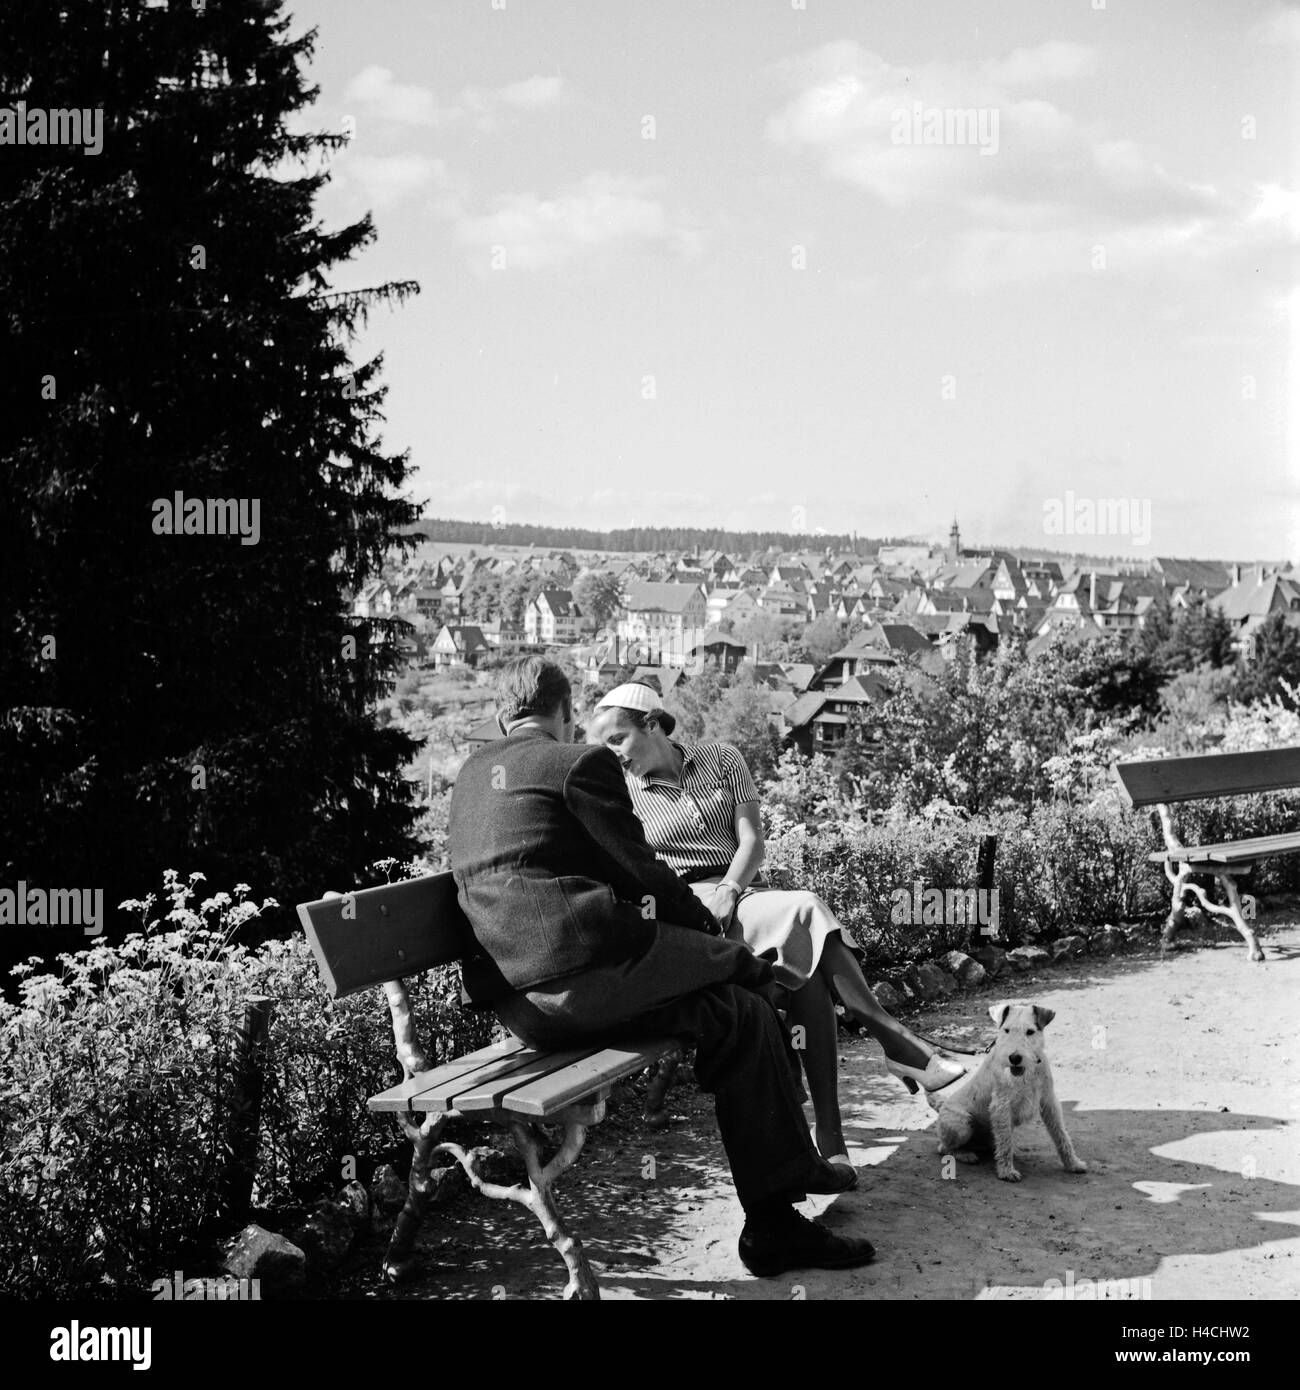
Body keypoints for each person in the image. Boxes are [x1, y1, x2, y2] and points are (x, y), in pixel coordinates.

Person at [447, 656, 876, 1278]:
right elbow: (645, 874)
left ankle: (783, 1203)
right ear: (567, 713)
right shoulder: (577, 764)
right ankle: (780, 1205)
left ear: (499, 715)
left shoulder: (468, 776)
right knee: (742, 985)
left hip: (521, 1008)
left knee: (738, 1013)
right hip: (585, 984)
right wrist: (706, 927)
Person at [586, 681, 971, 1167]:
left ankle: (831, 1139)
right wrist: (710, 898)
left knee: (805, 973)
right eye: (603, 746)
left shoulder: (722, 760)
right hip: (692, 909)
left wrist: (731, 889)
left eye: (617, 739)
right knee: (807, 907)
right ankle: (895, 1040)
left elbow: (752, 843)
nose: (613, 754)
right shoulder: (625, 795)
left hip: (745, 893)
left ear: (652, 723)